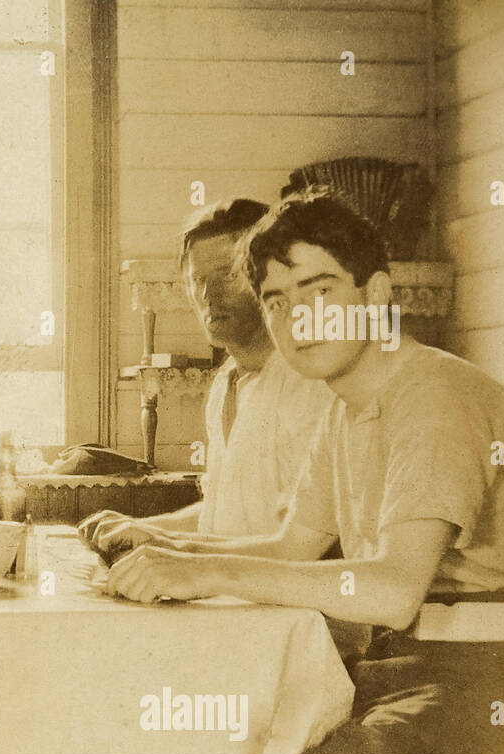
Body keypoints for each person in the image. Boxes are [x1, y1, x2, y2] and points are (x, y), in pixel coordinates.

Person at [103, 191, 504, 754]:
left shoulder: (435, 395)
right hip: (396, 668)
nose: (293, 317)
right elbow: (291, 545)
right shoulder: (345, 405)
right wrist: (170, 557)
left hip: (490, 681)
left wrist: (204, 574)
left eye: (317, 289)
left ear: (375, 294)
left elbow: (394, 589)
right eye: (276, 299)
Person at [79, 199, 334, 558]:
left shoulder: (310, 383)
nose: (208, 296)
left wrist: (163, 543)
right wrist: (142, 526)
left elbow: (302, 546)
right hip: (227, 593)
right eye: (198, 280)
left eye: (228, 275)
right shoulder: (224, 384)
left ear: (272, 279)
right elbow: (219, 519)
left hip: (290, 604)